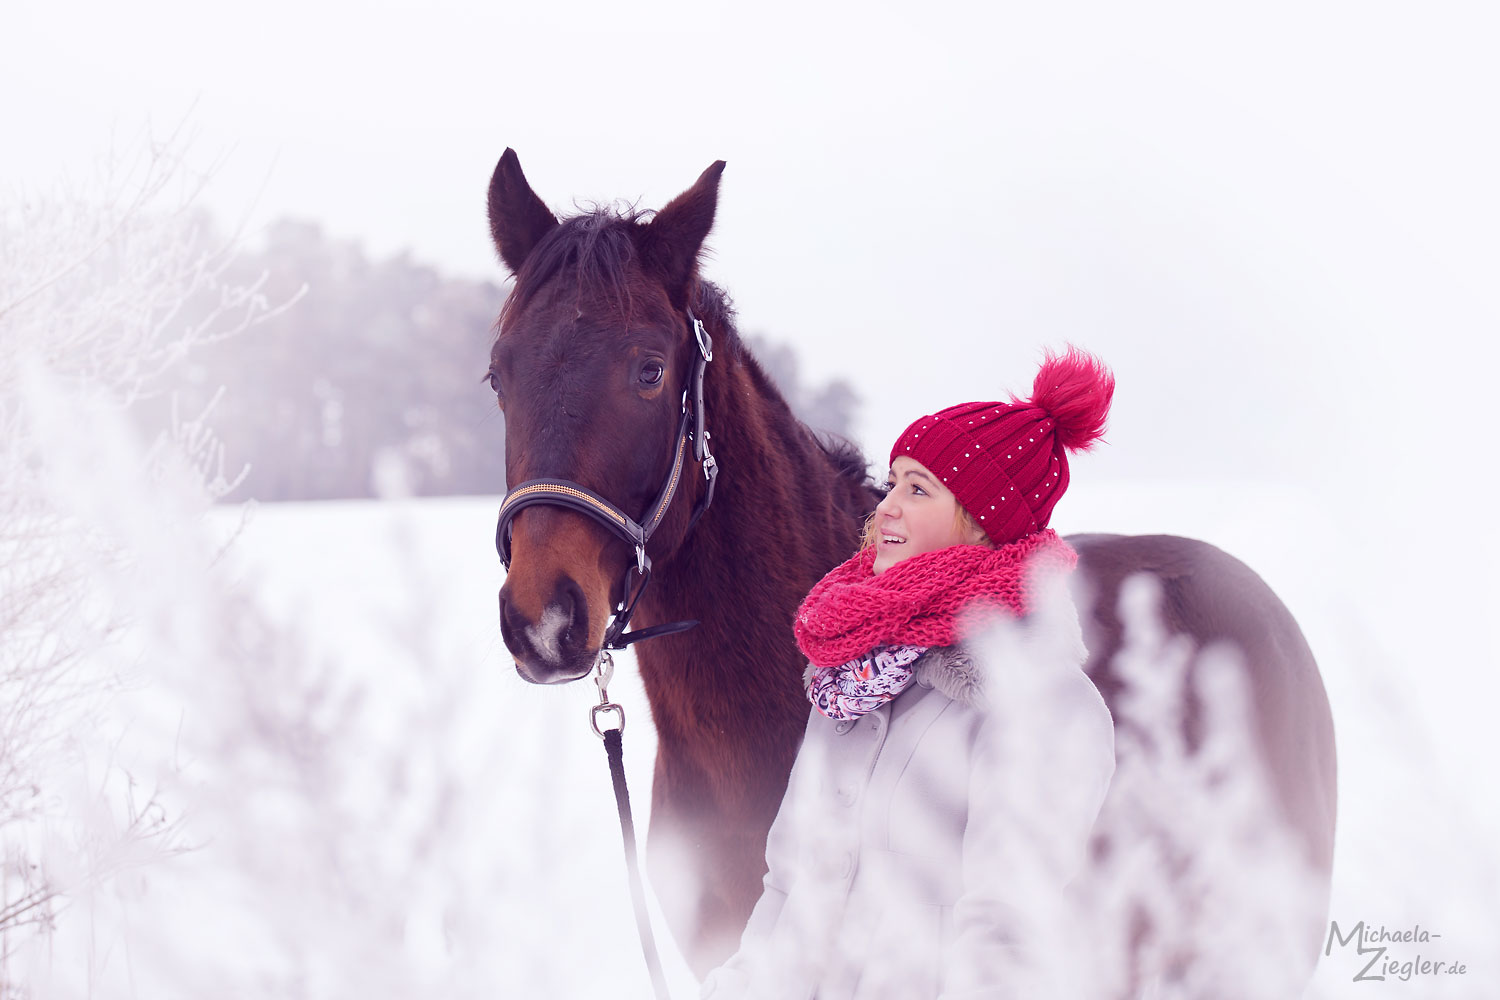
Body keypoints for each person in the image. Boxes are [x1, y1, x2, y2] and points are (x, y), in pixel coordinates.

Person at [700, 347, 1119, 1000]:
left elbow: (1006, 932)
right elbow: (791, 885)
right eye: (893, 481)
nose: (886, 506)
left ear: (982, 523)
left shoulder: (1042, 703)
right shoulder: (854, 678)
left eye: (918, 489)